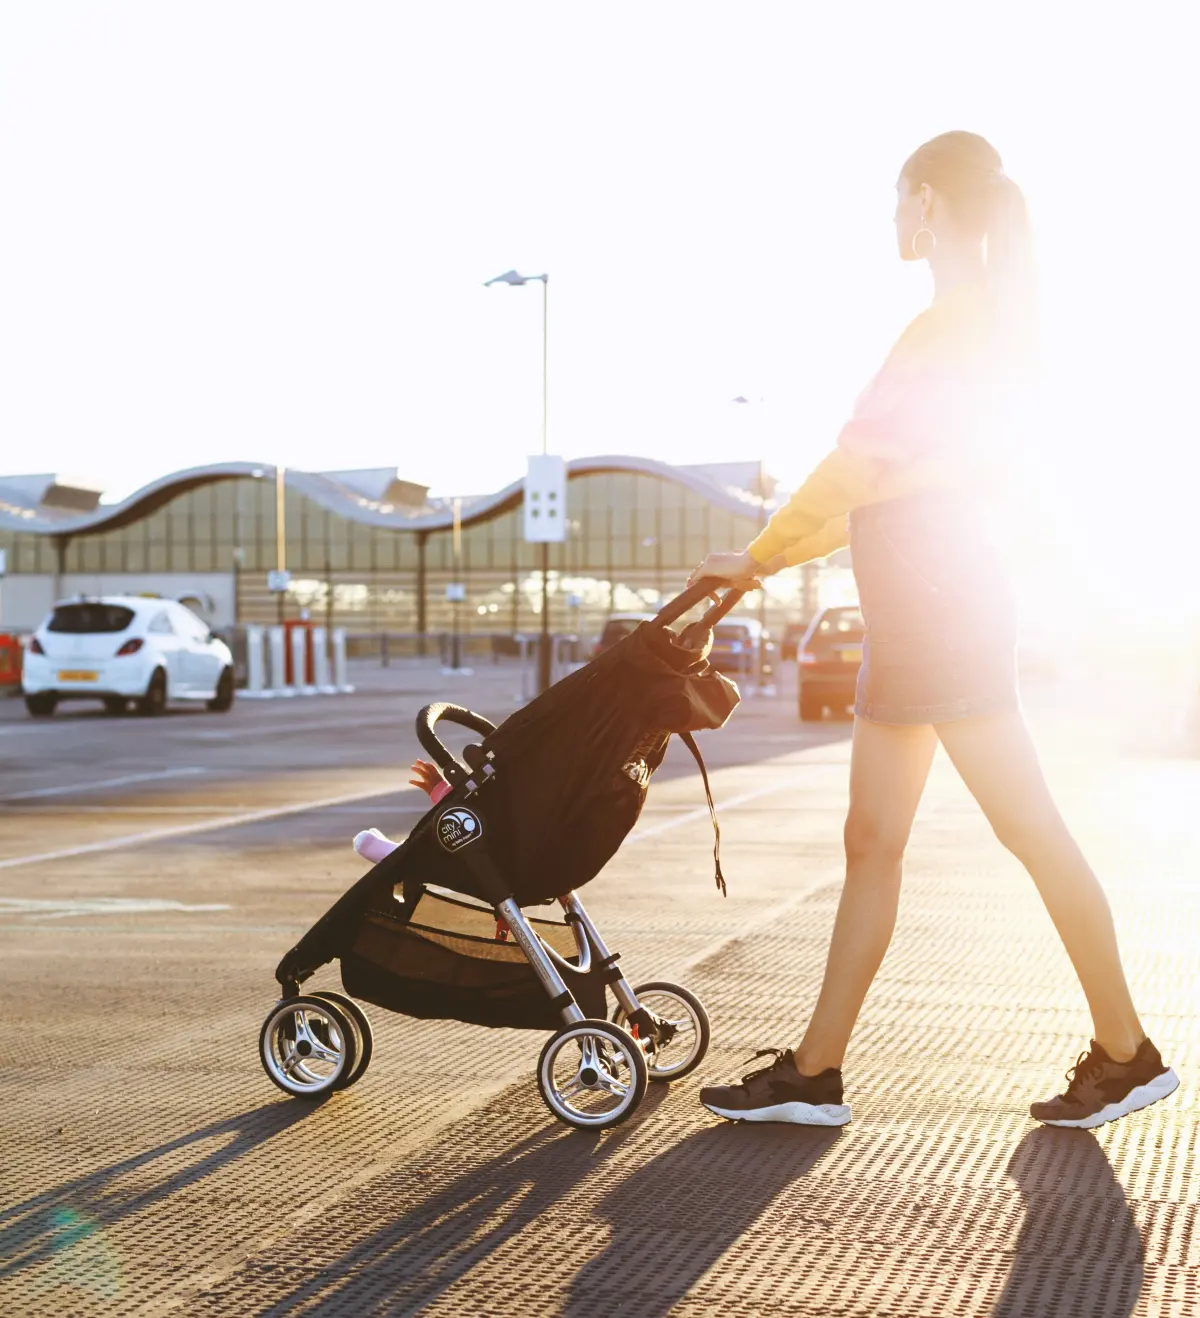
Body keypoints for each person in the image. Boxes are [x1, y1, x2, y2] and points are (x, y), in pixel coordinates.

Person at [692, 131, 1178, 1131]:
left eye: (895, 200)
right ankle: (817, 1073)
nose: (891, 222)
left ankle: (1127, 1051)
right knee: (872, 839)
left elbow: (860, 464)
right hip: (918, 604)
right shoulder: (966, 321)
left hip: (940, 604)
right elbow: (876, 484)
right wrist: (776, 552)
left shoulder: (955, 325)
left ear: (925, 202)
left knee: (1028, 827)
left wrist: (762, 552)